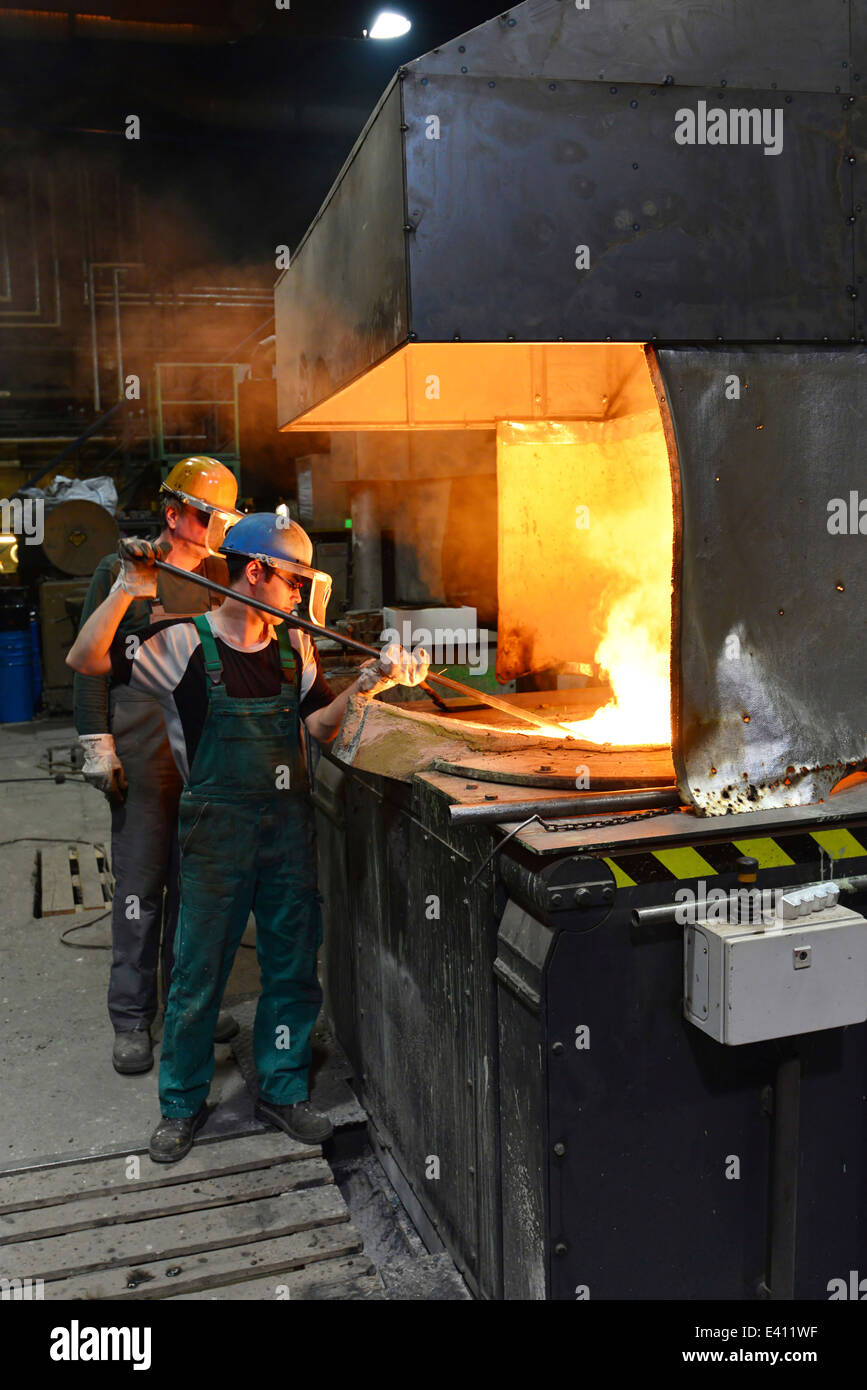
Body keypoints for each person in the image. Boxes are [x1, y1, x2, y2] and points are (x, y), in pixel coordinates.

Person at [67, 513, 429, 1161]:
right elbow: (87, 658)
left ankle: (282, 1088)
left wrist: (370, 685)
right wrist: (129, 584)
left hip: (286, 834)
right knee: (197, 975)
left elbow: (319, 727)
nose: (299, 596)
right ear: (255, 572)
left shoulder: (296, 648)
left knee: (290, 970)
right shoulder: (182, 645)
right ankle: (180, 1105)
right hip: (215, 835)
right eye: (292, 580)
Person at [73, 456, 244, 1076]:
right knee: (142, 888)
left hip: (204, 742)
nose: (218, 528)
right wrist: (97, 740)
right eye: (208, 516)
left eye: (225, 518)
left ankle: (186, 1004)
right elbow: (91, 662)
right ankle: (129, 1018)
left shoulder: (227, 576)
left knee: (196, 886)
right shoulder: (123, 572)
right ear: (174, 515)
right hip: (143, 742)